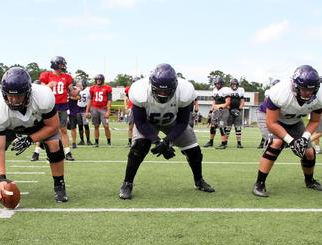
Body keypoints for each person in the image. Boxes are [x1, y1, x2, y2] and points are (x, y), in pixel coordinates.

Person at [0, 67, 68, 203]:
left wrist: (30, 140)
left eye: (19, 95)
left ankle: (59, 186)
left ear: (28, 92)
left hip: (38, 125)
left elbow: (53, 126)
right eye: (10, 95)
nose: (14, 100)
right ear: (3, 93)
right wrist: (1, 178)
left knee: (54, 144)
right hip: (9, 127)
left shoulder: (43, 96)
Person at [118, 63, 215, 200]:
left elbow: (182, 122)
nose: (162, 94)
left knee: (194, 152)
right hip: (148, 122)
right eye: (159, 90)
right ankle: (127, 183)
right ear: (151, 85)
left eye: (166, 91)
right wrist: (156, 141)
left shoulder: (185, 91)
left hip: (173, 122)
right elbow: (139, 122)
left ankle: (199, 180)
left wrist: (167, 142)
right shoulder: (140, 90)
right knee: (138, 148)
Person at [252, 65, 322, 197]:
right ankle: (259, 183)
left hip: (294, 120)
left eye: (311, 90)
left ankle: (309, 181)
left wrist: (304, 139)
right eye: (304, 89)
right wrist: (291, 141)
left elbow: (315, 121)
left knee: (309, 152)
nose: (307, 93)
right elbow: (272, 123)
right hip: (269, 117)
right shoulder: (280, 92)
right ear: (295, 85)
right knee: (276, 143)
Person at [31, 56, 75, 161]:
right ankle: (36, 152)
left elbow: (72, 92)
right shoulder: (46, 75)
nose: (62, 66)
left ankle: (67, 152)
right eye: (60, 64)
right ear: (55, 64)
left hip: (63, 105)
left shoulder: (67, 77)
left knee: (63, 130)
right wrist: (48, 85)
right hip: (49, 105)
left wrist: (78, 89)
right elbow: (40, 90)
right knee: (44, 129)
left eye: (62, 64)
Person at [203, 76, 231, 149]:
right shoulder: (214, 90)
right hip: (216, 111)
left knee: (222, 126)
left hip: (223, 111)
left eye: (219, 83)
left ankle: (224, 143)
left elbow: (228, 103)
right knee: (213, 126)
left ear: (222, 84)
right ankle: (211, 142)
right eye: (216, 84)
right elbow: (214, 101)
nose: (218, 85)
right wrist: (211, 110)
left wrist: (219, 106)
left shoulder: (225, 90)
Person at [86, 74, 112, 147]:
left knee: (106, 126)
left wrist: (108, 111)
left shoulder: (107, 88)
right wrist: (87, 111)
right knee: (96, 126)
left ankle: (109, 142)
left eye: (100, 80)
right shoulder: (92, 88)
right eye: (97, 80)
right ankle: (96, 142)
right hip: (94, 108)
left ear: (102, 80)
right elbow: (90, 100)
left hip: (103, 109)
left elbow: (109, 100)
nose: (98, 81)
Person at [257, 79, 280, 149]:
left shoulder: (282, 94)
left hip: (274, 113)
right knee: (269, 133)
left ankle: (264, 143)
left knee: (273, 132)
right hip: (264, 113)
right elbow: (268, 106)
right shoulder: (269, 93)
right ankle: (266, 147)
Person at [227, 78, 245, 148]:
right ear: (230, 85)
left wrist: (239, 109)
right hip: (229, 111)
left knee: (238, 127)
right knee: (228, 127)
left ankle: (239, 143)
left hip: (238, 111)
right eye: (233, 84)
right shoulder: (227, 90)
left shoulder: (241, 90)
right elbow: (226, 101)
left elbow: (242, 101)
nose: (234, 85)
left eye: (235, 84)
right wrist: (230, 109)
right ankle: (225, 142)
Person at [76, 80, 92, 145]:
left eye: (81, 84)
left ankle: (88, 140)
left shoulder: (88, 90)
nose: (79, 85)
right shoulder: (77, 90)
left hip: (85, 109)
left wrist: (88, 111)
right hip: (78, 109)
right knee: (80, 125)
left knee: (86, 125)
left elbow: (90, 100)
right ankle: (82, 140)